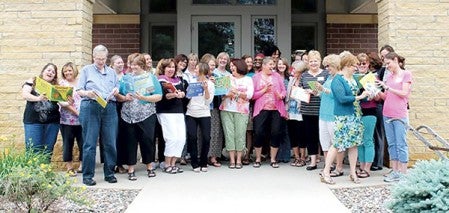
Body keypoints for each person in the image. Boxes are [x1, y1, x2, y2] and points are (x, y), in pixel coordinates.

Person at [320, 53, 368, 185]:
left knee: (353, 144)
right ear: (347, 65)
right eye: (354, 65)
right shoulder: (337, 80)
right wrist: (359, 97)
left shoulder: (353, 79)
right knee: (337, 144)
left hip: (355, 115)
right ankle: (326, 172)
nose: (356, 68)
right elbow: (341, 99)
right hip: (342, 116)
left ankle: (353, 172)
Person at [77, 44, 120, 186]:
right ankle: (88, 176)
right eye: (98, 58)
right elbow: (79, 90)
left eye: (103, 58)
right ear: (93, 57)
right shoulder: (86, 70)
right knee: (89, 143)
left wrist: (115, 90)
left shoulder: (112, 72)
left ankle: (109, 173)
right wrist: (87, 93)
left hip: (109, 107)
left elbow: (117, 86)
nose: (101, 61)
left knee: (110, 142)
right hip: (91, 106)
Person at [117, 54, 162, 180]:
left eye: (135, 64)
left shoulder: (150, 78)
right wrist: (124, 97)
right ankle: (131, 168)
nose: (133, 67)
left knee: (147, 140)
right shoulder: (126, 78)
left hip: (146, 114)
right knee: (130, 141)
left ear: (142, 65)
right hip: (128, 115)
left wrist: (144, 98)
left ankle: (149, 166)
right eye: (131, 64)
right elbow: (118, 95)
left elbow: (158, 96)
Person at [376, 52, 412, 182]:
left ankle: (403, 172)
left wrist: (388, 88)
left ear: (395, 60)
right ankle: (395, 171)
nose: (387, 66)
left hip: (399, 114)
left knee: (401, 143)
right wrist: (377, 91)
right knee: (391, 144)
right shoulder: (389, 77)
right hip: (387, 113)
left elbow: (404, 93)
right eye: (385, 64)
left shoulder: (406, 74)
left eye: (388, 63)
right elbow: (386, 97)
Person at [252, 57, 287, 168]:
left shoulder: (277, 76)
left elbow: (283, 90)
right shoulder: (256, 77)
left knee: (275, 133)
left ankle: (273, 159)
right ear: (264, 65)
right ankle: (258, 158)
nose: (272, 67)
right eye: (270, 64)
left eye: (273, 64)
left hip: (276, 109)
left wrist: (281, 95)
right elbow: (252, 95)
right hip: (261, 109)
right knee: (258, 132)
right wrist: (264, 90)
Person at [22, 63, 61, 162]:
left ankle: (45, 175)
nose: (50, 73)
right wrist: (38, 98)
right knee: (33, 150)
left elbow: (63, 103)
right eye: (48, 70)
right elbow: (25, 94)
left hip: (52, 122)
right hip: (33, 121)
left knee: (48, 150)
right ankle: (33, 175)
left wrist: (69, 101)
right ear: (43, 71)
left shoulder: (56, 87)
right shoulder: (33, 81)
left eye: (53, 72)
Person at [220, 59, 254, 169]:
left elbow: (249, 95)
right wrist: (228, 94)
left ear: (239, 66)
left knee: (240, 135)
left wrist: (237, 93)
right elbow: (221, 93)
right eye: (230, 66)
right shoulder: (227, 78)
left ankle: (239, 159)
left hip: (242, 111)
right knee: (229, 135)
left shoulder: (248, 79)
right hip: (227, 109)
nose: (231, 68)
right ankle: (232, 160)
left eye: (233, 66)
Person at [156, 58, 187, 174]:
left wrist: (182, 94)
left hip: (178, 111)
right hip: (165, 111)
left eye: (173, 67)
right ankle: (167, 164)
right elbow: (164, 96)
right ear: (163, 68)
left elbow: (183, 93)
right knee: (171, 138)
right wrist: (174, 95)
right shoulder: (160, 80)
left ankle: (174, 164)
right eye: (168, 67)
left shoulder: (178, 80)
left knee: (181, 138)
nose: (171, 69)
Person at [315, 54, 344, 177]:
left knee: (336, 142)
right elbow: (325, 95)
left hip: (333, 114)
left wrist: (324, 89)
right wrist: (317, 92)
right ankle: (329, 165)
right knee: (325, 142)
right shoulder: (329, 78)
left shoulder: (339, 78)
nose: (327, 69)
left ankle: (339, 167)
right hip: (323, 113)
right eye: (326, 66)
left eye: (329, 66)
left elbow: (338, 95)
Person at [300, 50, 328, 170]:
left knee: (325, 137)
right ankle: (313, 161)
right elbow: (300, 89)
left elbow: (328, 91)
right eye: (311, 61)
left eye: (316, 61)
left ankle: (328, 162)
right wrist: (303, 92)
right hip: (307, 109)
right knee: (310, 136)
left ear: (320, 61)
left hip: (323, 109)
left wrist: (316, 91)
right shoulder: (304, 75)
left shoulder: (326, 74)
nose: (313, 63)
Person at [185, 62, 214, 172]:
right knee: (192, 137)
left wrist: (205, 89)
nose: (195, 69)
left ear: (201, 70)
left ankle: (203, 162)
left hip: (204, 113)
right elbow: (188, 98)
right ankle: (194, 162)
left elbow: (208, 101)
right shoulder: (192, 82)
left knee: (206, 138)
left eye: (196, 68)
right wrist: (188, 93)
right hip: (191, 113)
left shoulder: (210, 84)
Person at [356, 53, 379, 178]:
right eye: (358, 63)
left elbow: (377, 97)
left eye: (363, 63)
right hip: (357, 112)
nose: (361, 66)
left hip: (369, 111)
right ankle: (361, 165)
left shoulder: (372, 77)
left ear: (368, 64)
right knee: (359, 141)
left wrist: (369, 90)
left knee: (368, 140)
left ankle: (367, 168)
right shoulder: (354, 77)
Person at [59, 62, 83, 176]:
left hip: (82, 119)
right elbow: (63, 103)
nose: (67, 73)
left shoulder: (81, 82)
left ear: (74, 70)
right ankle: (69, 167)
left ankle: (82, 165)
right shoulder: (62, 84)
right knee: (68, 143)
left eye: (69, 70)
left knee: (83, 143)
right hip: (66, 120)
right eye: (65, 71)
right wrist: (77, 112)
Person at [208, 52, 231, 167]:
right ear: (217, 60)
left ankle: (218, 154)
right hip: (213, 105)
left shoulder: (228, 74)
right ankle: (212, 156)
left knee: (221, 131)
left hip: (224, 105)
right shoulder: (213, 72)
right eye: (221, 58)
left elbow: (228, 89)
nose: (223, 60)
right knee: (214, 131)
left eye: (225, 59)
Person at [285, 61, 308, 167]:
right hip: (291, 111)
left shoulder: (305, 80)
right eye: (292, 69)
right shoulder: (291, 80)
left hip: (301, 111)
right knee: (293, 134)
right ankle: (296, 157)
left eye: (295, 69)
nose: (292, 71)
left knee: (302, 135)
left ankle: (303, 157)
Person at [111, 54, 128, 174]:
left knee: (122, 136)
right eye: (118, 62)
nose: (121, 64)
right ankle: (111, 163)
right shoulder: (109, 76)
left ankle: (120, 163)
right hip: (113, 107)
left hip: (125, 108)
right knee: (112, 136)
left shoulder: (126, 77)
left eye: (122, 62)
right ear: (112, 65)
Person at [275, 57, 291, 163]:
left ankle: (285, 155)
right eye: (279, 64)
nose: (281, 66)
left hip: (286, 107)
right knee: (276, 131)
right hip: (275, 106)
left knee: (285, 131)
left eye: (283, 64)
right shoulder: (273, 77)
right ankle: (275, 155)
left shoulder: (290, 78)